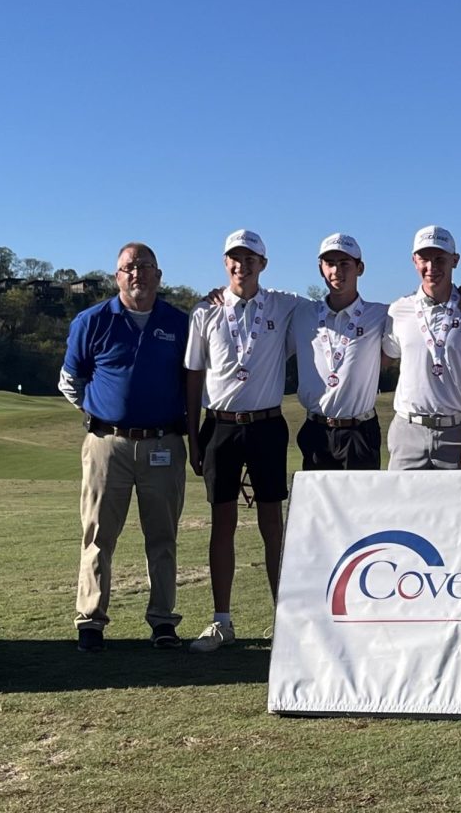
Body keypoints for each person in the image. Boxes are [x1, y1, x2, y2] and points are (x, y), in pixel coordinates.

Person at [59, 242, 188, 652]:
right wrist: (101, 414)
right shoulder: (92, 320)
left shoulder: (179, 323)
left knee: (162, 537)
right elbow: (70, 381)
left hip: (163, 443)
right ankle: (91, 622)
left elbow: (194, 382)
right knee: (97, 536)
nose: (138, 274)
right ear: (117, 276)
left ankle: (163, 621)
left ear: (159, 275)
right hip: (106, 445)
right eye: (129, 267)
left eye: (147, 266)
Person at [184, 229, 299, 652]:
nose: (241, 265)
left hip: (266, 424)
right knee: (222, 523)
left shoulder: (285, 305)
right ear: (224, 262)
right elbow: (193, 375)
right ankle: (222, 621)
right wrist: (193, 437)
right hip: (220, 426)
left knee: (274, 524)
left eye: (250, 259)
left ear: (262, 265)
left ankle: (283, 618)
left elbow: (331, 305)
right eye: (234, 258)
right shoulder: (205, 312)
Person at [382, 225, 461, 469]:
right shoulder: (398, 311)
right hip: (408, 432)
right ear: (414, 261)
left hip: (459, 434)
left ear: (455, 261)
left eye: (440, 259)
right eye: (424, 259)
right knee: (400, 507)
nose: (431, 267)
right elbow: (384, 358)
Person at [287, 233, 387, 470]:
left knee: (362, 507)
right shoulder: (301, 312)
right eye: (330, 264)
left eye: (345, 264)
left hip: (360, 432)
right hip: (316, 430)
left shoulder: (381, 314)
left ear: (359, 268)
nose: (337, 271)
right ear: (321, 269)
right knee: (317, 507)